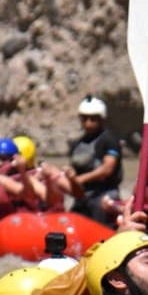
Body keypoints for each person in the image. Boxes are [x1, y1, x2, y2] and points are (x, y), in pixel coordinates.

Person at [63, 95, 123, 225]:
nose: (88, 123)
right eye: (84, 119)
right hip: (83, 194)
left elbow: (107, 169)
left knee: (101, 212)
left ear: (101, 119)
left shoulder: (109, 140)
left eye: (93, 119)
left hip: (105, 192)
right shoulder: (78, 144)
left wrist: (80, 179)